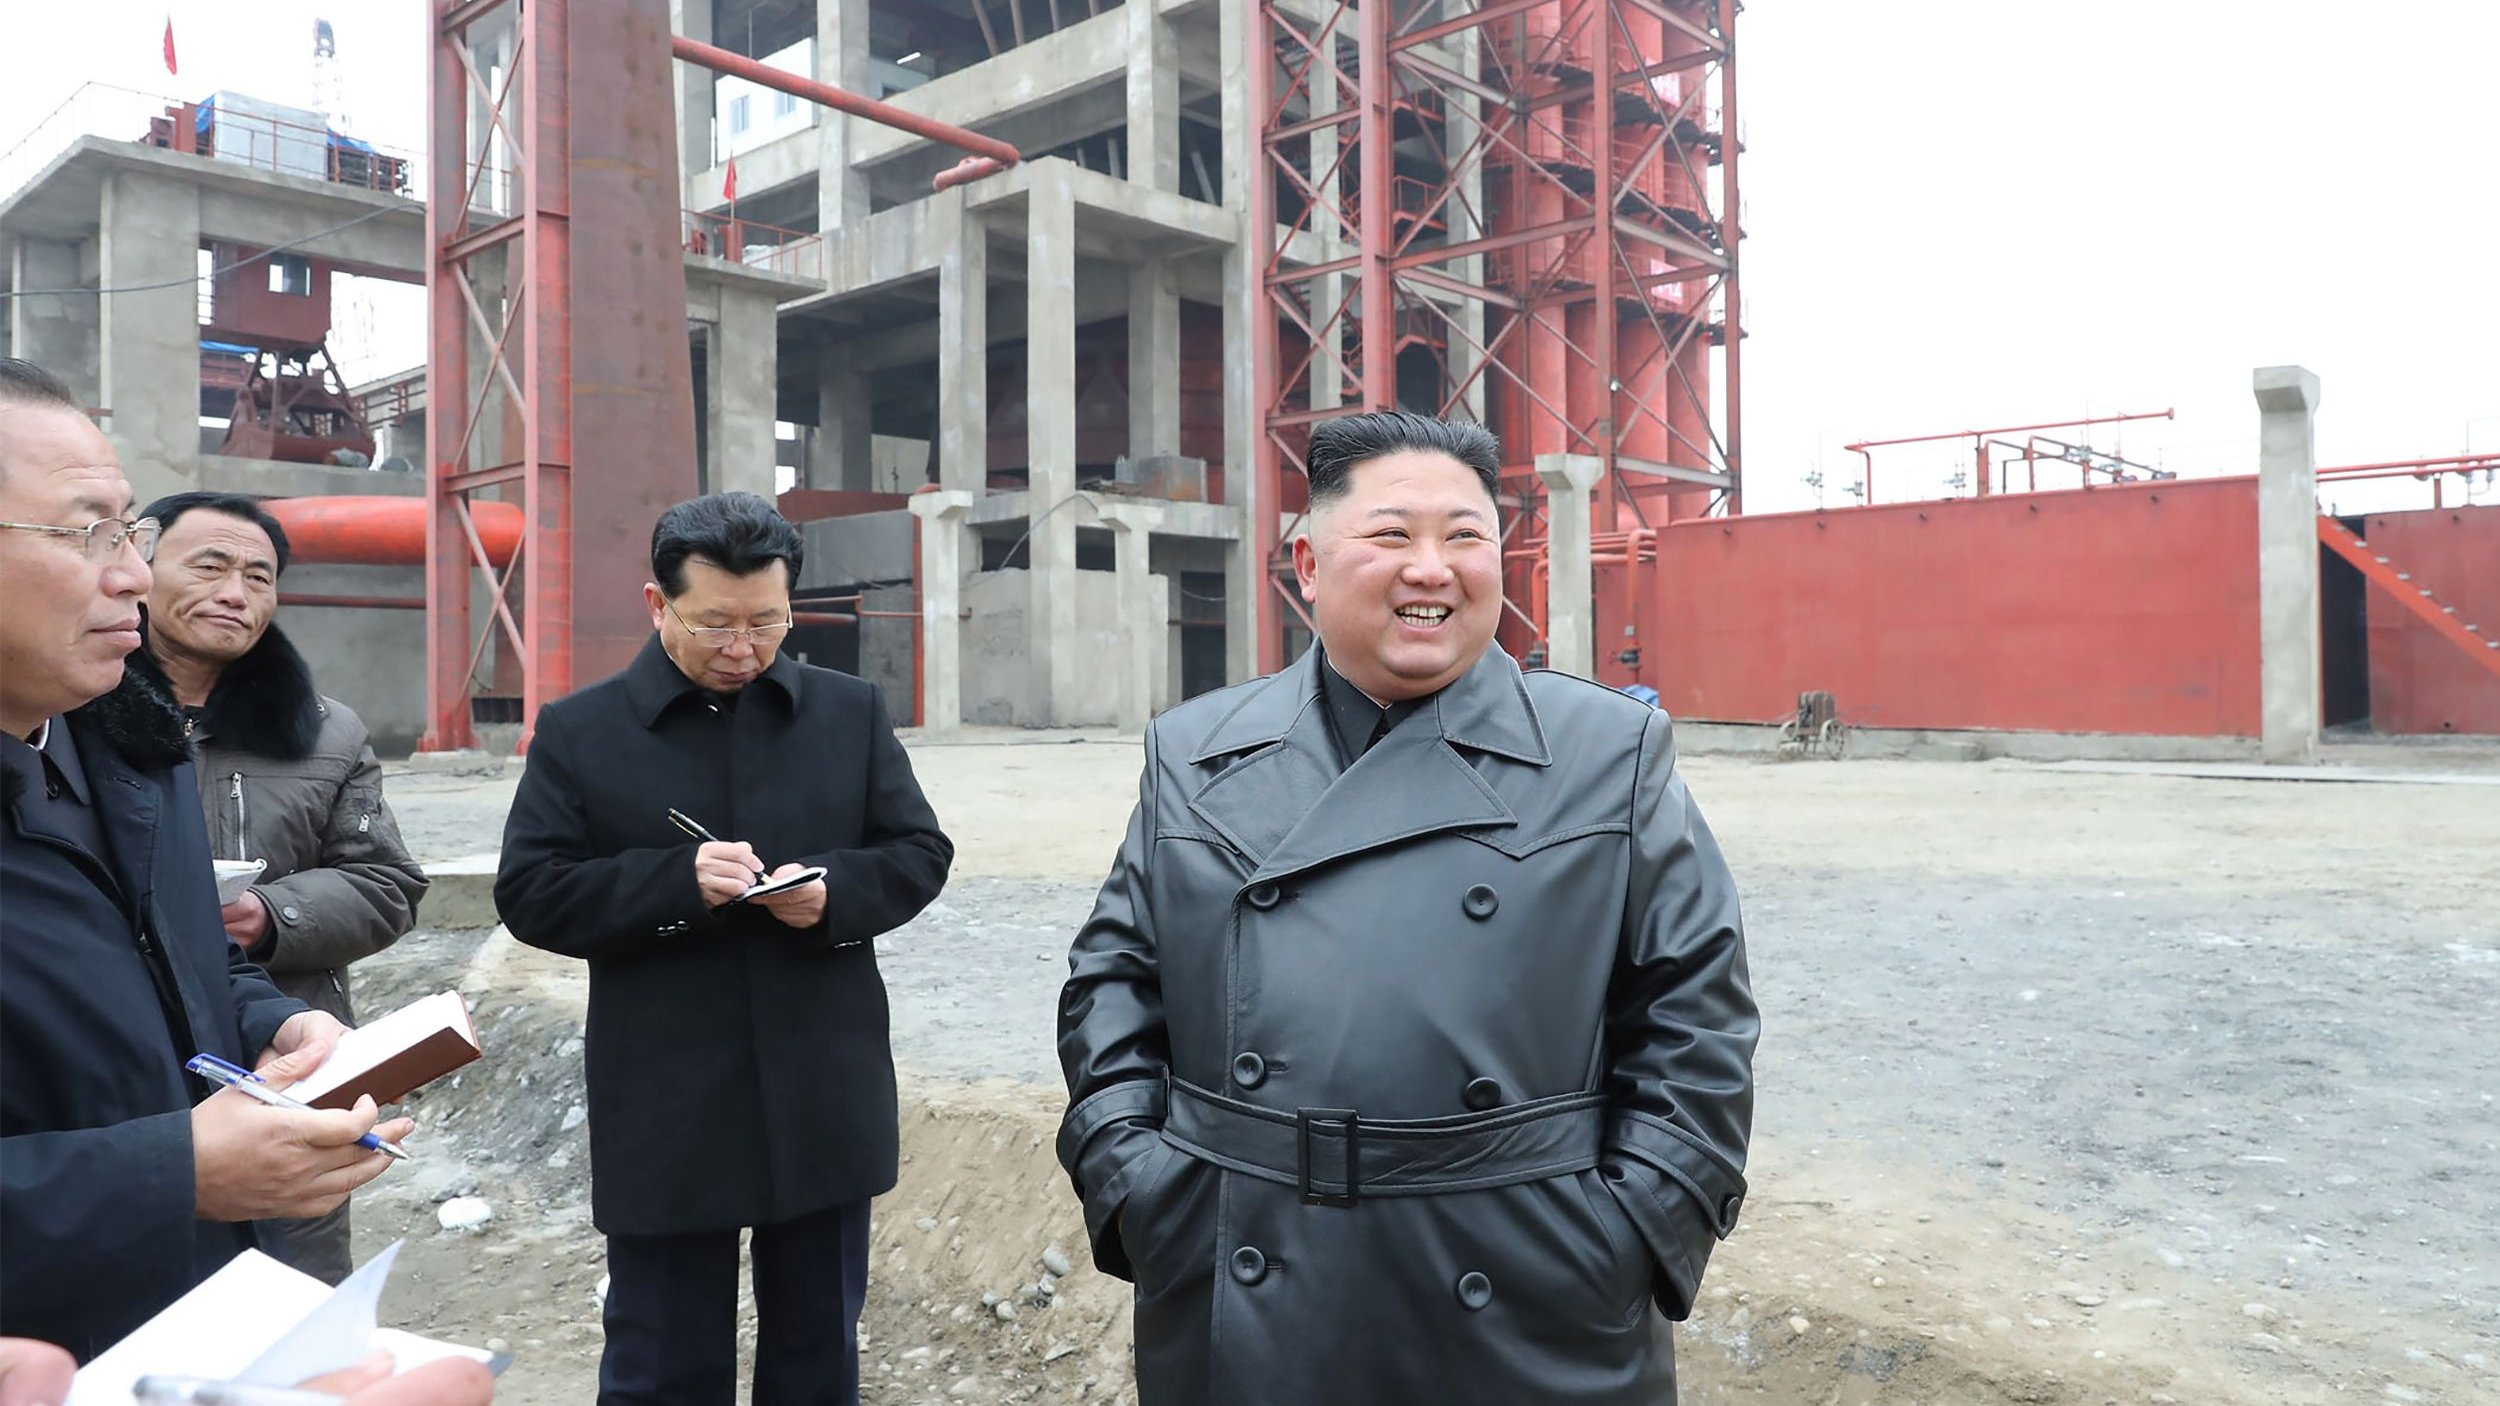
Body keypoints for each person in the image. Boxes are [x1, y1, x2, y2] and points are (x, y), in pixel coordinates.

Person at [1056, 410, 1759, 1404]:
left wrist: (1635, 1225)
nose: (1431, 568)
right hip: (1246, 1262)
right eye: (1391, 535)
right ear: (1307, 561)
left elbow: (1696, 1013)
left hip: (1525, 1286)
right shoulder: (1194, 750)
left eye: (1464, 536)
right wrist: (1137, 1185)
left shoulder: (1607, 754)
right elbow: (1113, 985)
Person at [495, 492, 954, 1406]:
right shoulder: (583, 732)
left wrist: (833, 894)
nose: (743, 649)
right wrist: (672, 884)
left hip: (821, 1076)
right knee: (662, 1361)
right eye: (715, 624)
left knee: (818, 1354)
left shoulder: (846, 712)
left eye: (767, 622)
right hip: (667, 1090)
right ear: (656, 604)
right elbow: (530, 891)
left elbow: (918, 853)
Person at [0, 358, 411, 1361]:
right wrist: (169, 1170)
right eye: (85, 530)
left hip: (198, 1302)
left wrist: (278, 1018)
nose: (130, 573)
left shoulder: (132, 753)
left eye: (126, 529)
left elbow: (187, 957)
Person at [125, 490, 431, 1285]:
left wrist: (271, 915)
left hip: (291, 1059)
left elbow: (387, 881)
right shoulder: (74, 713)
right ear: (138, 567)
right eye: (211, 566)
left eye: (259, 577)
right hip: (131, 1066)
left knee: (295, 1286)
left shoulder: (327, 732)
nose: (236, 592)